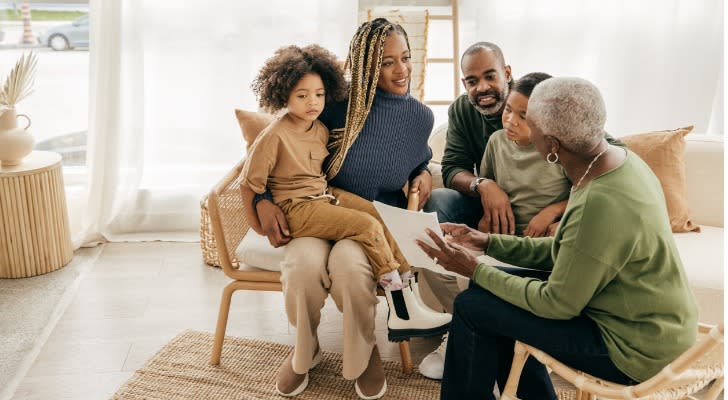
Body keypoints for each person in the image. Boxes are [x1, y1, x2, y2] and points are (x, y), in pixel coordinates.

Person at [415, 77, 698, 399]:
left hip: (634, 348)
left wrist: (474, 268)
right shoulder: (618, 162)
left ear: (551, 145)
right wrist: (488, 243)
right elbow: (572, 251)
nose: (522, 128)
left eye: (529, 122)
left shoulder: (599, 200)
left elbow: (556, 304)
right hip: (652, 322)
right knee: (486, 294)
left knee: (472, 306)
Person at [250, 19, 449, 399]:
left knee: (350, 270)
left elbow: (417, 159)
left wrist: (423, 172)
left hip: (370, 218)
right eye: (386, 61)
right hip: (314, 213)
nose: (401, 70)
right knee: (302, 269)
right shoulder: (332, 105)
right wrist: (262, 201)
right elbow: (279, 148)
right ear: (364, 64)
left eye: (405, 58)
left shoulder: (419, 117)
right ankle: (304, 353)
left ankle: (364, 354)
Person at [418, 43, 624, 379]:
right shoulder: (490, 134)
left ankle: (505, 331)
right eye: (471, 80)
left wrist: (556, 212)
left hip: (547, 227)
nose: (481, 87)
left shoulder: (551, 112)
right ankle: (464, 325)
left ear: (507, 74)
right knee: (437, 213)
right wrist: (485, 188)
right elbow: (455, 165)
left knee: (548, 250)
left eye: (489, 76)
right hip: (501, 215)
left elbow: (604, 160)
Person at [241, 44, 420, 307]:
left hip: (323, 196)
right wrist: (259, 224)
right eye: (302, 96)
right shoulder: (274, 136)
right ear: (284, 96)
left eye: (319, 94)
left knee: (375, 213)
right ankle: (396, 293)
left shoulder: (320, 130)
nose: (312, 102)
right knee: (366, 226)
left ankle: (407, 278)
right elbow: (248, 184)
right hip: (296, 207)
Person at [479, 72, 568, 237]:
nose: (511, 121)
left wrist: (554, 211)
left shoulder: (560, 148)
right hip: (503, 238)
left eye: (523, 116)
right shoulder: (496, 141)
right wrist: (486, 216)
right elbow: (486, 189)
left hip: (545, 238)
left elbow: (587, 193)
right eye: (508, 109)